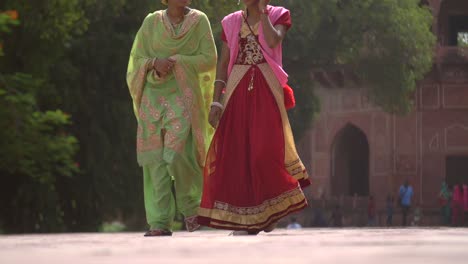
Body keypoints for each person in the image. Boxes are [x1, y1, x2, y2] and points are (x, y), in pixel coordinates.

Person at [198, 0, 311, 235]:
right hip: (238, 91)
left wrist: (262, 13)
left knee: (264, 152)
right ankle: (249, 220)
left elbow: (272, 41)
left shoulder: (279, 15)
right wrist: (217, 100)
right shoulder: (231, 22)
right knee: (237, 153)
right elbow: (223, 63)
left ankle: (269, 211)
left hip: (266, 90)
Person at [126, 0, 217, 236]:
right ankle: (159, 221)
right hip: (152, 98)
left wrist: (179, 61)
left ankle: (192, 209)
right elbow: (136, 60)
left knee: (179, 155)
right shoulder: (151, 22)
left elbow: (210, 58)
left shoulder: (199, 21)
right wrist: (154, 63)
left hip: (183, 95)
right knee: (154, 160)